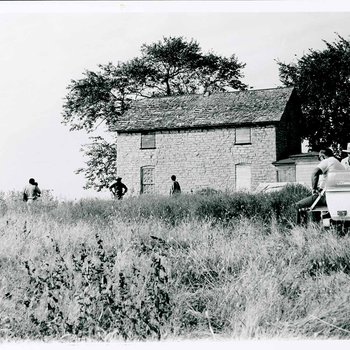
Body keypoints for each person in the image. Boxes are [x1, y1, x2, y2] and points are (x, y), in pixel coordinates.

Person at [295, 148, 345, 225]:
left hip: (326, 195)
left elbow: (315, 173)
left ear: (323, 156)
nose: (320, 160)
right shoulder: (339, 164)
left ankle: (300, 229)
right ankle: (317, 226)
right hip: (336, 196)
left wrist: (314, 189)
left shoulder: (327, 161)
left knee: (299, 205)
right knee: (314, 205)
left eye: (319, 158)